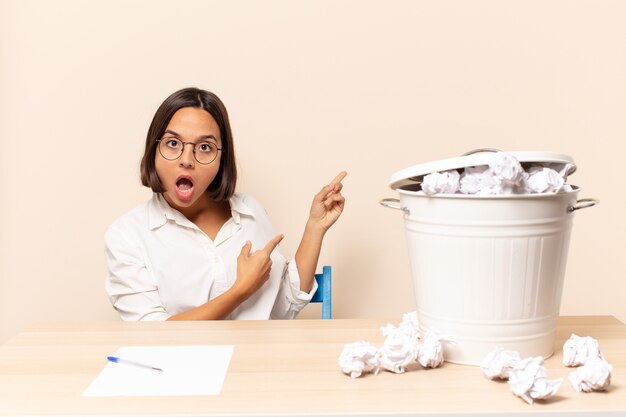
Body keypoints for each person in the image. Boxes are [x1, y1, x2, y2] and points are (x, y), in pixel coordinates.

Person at [105, 87, 346, 321]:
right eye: (173, 143)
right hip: (181, 363)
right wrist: (239, 291)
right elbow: (152, 335)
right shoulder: (127, 235)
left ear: (222, 158)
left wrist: (315, 227)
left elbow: (285, 306)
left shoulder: (250, 211)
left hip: (255, 359)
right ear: (153, 150)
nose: (187, 160)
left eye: (205, 147)